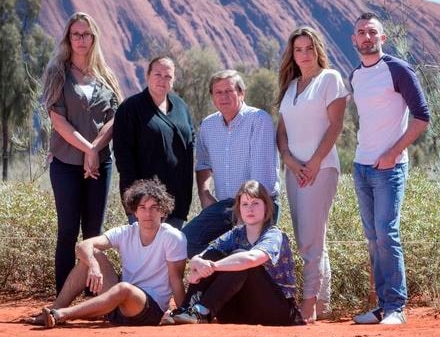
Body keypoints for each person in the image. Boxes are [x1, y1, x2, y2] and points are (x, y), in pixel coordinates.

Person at [349, 12, 431, 325]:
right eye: (361, 32)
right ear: (354, 39)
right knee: (373, 237)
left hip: (389, 168)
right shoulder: (356, 75)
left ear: (383, 38)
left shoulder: (397, 69)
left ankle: (397, 307)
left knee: (387, 233)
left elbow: (422, 117)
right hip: (361, 167)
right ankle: (383, 306)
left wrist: (393, 152)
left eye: (372, 32)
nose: (366, 37)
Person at [24, 178, 187, 328]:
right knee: (92, 255)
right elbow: (83, 245)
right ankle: (55, 308)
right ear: (134, 212)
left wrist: (182, 313)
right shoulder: (126, 232)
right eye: (142, 208)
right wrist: (93, 265)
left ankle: (60, 315)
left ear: (163, 211)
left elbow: (176, 279)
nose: (148, 214)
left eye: (154, 208)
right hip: (117, 305)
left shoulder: (173, 238)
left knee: (125, 288)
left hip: (149, 309)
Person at [41, 12, 123, 295]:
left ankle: (91, 294)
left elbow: (115, 118)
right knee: (67, 231)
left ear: (93, 38)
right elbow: (58, 120)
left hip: (101, 164)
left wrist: (96, 149)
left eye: (86, 34)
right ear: (68, 38)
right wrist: (87, 149)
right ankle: (63, 296)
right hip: (65, 163)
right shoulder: (57, 73)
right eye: (75, 34)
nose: (81, 39)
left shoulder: (105, 75)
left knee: (93, 233)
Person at [276, 26, 348, 322]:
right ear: (292, 54)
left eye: (308, 48)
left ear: (317, 49)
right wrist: (291, 162)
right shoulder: (291, 86)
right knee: (314, 238)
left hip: (321, 168)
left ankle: (307, 307)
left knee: (309, 240)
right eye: (298, 49)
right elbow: (281, 132)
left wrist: (315, 162)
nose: (304, 54)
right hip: (295, 171)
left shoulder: (329, 79)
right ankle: (323, 306)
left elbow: (335, 125)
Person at [171, 180, 303, 326]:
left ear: (266, 207)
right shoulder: (236, 234)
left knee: (240, 258)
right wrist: (197, 261)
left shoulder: (274, 234)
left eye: (255, 203)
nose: (250, 209)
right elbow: (205, 254)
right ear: (239, 210)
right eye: (245, 204)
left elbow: (251, 258)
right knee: (213, 254)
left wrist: (212, 267)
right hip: (241, 311)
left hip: (276, 311)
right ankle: (186, 310)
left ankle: (202, 311)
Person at [181, 70, 280, 258]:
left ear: (241, 93)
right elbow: (203, 164)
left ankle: (233, 266)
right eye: (218, 92)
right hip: (227, 205)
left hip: (260, 202)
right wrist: (204, 194)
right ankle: (225, 268)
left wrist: (245, 214)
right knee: (184, 242)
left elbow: (261, 179)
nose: (223, 96)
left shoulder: (259, 120)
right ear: (212, 97)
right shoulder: (208, 126)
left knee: (249, 254)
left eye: (229, 91)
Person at [113, 56, 195, 229]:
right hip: (145, 204)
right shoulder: (131, 108)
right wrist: (136, 201)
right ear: (147, 76)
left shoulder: (181, 107)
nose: (162, 80)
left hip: (177, 200)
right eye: (158, 74)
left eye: (168, 76)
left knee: (171, 254)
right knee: (146, 254)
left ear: (173, 80)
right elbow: (124, 158)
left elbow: (190, 146)